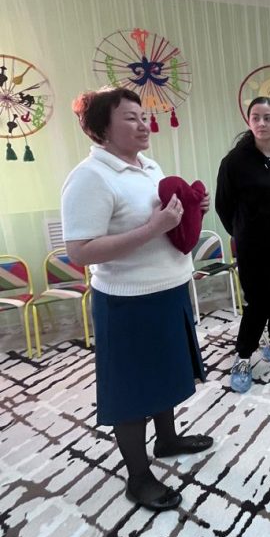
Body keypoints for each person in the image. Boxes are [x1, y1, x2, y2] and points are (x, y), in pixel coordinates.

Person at [61, 87, 213, 512]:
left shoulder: (149, 167)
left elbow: (168, 224)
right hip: (127, 302)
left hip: (169, 290)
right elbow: (80, 251)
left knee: (165, 375)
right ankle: (138, 477)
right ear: (101, 129)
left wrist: (193, 209)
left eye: (144, 116)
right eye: (131, 118)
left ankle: (167, 440)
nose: (144, 124)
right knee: (131, 392)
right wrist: (153, 227)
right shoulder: (90, 177)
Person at [215, 97, 270, 393]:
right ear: (249, 121)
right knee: (258, 302)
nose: (262, 123)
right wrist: (241, 233)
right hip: (253, 245)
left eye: (268, 118)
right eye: (256, 117)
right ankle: (243, 356)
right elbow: (223, 205)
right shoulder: (235, 162)